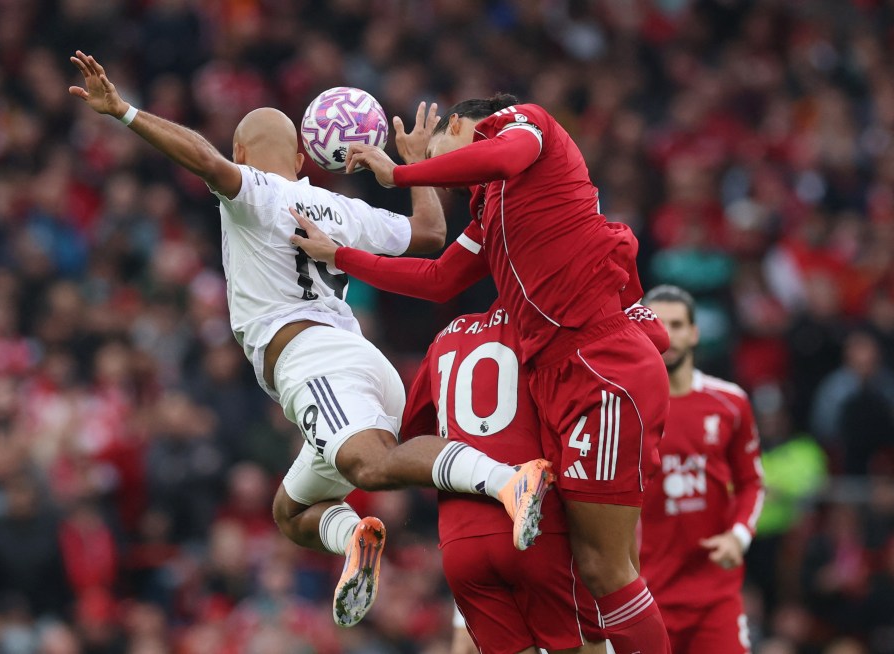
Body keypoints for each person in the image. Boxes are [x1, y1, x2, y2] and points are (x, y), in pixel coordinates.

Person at [67, 53, 553, 628]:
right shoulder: (344, 209)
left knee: (369, 468)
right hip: (361, 363)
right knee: (291, 510)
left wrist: (123, 111)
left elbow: (201, 157)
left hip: (313, 362)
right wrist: (415, 166)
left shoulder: (253, 193)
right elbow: (430, 233)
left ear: (241, 155)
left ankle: (508, 479)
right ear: (302, 158)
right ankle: (355, 535)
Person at [293, 93, 672, 651]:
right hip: (556, 378)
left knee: (605, 567)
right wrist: (341, 256)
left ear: (463, 125)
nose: (445, 177)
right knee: (593, 567)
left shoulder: (526, 125)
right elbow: (440, 278)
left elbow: (501, 156)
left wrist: (400, 172)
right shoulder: (490, 209)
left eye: (441, 147)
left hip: (600, 367)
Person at [403, 301, 608, 654]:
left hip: (459, 540)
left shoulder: (445, 337)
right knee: (582, 646)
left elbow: (414, 434)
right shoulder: (544, 326)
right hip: (535, 525)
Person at [641, 285, 765, 654]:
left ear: (694, 332)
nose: (668, 335)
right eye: (657, 324)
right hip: (645, 597)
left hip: (715, 597)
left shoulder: (730, 403)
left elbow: (752, 483)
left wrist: (738, 537)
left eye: (677, 324)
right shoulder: (624, 409)